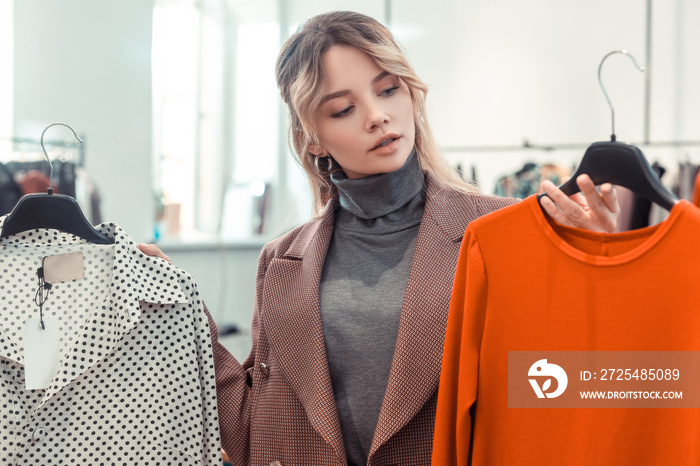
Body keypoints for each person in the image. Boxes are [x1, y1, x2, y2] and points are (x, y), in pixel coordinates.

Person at [140, 10, 618, 465]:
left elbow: (572, 391)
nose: (376, 116)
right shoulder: (282, 260)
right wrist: (183, 312)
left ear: (411, 95)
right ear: (312, 138)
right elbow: (254, 434)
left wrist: (597, 274)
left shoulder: (504, 231)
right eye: (344, 109)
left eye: (388, 90)